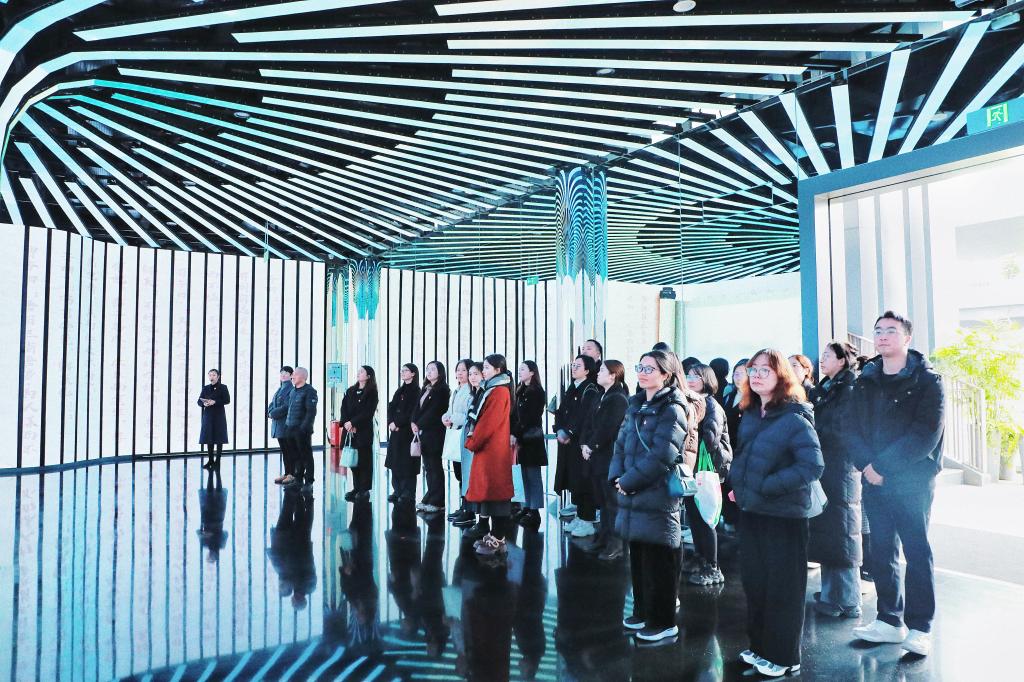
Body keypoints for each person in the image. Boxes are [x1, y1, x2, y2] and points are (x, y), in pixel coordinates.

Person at [848, 312, 944, 657]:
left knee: (917, 551)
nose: (882, 336)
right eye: (878, 331)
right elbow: (851, 427)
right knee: (881, 549)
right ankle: (889, 620)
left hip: (912, 480)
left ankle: (920, 627)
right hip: (873, 479)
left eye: (891, 330)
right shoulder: (866, 379)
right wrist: (866, 464)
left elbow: (926, 434)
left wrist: (882, 466)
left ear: (907, 337)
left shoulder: (928, 380)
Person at [730, 350, 825, 678]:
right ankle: (760, 647)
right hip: (753, 511)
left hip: (785, 516)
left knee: (784, 588)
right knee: (756, 583)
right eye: (753, 369)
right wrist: (740, 487)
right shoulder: (752, 413)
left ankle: (784, 656)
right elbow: (744, 457)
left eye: (765, 370)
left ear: (782, 376)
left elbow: (812, 466)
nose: (756, 375)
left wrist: (766, 486)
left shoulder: (794, 417)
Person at [610, 350, 689, 643]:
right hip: (633, 491)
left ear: (666, 374)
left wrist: (629, 481)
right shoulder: (636, 405)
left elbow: (662, 454)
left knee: (659, 561)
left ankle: (663, 621)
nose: (642, 373)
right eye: (640, 367)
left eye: (650, 369)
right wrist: (618, 477)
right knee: (639, 558)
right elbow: (620, 445)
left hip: (656, 495)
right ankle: (643, 611)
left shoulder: (673, 408)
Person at [809, 341, 863, 618]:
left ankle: (848, 600)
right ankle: (833, 594)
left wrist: (814, 432)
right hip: (830, 465)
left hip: (841, 467)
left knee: (842, 533)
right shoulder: (827, 388)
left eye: (828, 356)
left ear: (842, 361)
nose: (822, 360)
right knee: (832, 533)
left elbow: (842, 429)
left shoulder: (848, 389)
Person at [683, 363, 733, 586]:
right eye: (689, 375)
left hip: (707, 468)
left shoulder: (711, 405)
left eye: (696, 376)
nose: (690, 379)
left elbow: (711, 439)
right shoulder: (692, 402)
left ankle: (712, 566)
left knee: (706, 518)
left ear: (707, 380)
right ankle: (700, 556)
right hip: (693, 468)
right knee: (694, 516)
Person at [464, 354, 516, 556]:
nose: (483, 371)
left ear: (498, 370)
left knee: (496, 494)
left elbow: (488, 424)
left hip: (492, 450)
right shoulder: (492, 389)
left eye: (486, 368)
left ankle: (499, 538)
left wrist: (473, 441)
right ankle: (495, 534)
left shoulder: (498, 391)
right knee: (491, 493)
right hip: (490, 449)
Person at [581, 359, 629, 560]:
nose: (598, 373)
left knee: (612, 502)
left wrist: (591, 445)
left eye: (602, 370)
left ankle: (616, 543)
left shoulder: (618, 398)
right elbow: (589, 423)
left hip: (610, 456)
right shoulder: (601, 395)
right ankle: (603, 537)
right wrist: (584, 443)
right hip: (597, 457)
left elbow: (608, 427)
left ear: (613, 375)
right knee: (602, 500)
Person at [554, 355, 603, 532]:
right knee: (574, 479)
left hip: (580, 442)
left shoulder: (590, 389)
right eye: (573, 365)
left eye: (578, 366)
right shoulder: (572, 387)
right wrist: (559, 429)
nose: (573, 368)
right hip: (568, 442)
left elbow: (584, 416)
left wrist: (569, 432)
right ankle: (579, 516)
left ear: (587, 370)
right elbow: (561, 411)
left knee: (583, 480)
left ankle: (587, 519)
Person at [412, 361, 452, 514]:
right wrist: (413, 422)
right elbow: (417, 407)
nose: (429, 372)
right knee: (428, 467)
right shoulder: (426, 388)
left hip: (434, 433)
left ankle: (438, 501)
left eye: (432, 369)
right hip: (423, 432)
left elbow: (435, 411)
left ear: (440, 372)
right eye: (427, 369)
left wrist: (419, 424)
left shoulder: (442, 390)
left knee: (435, 467)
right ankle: (430, 496)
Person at [512, 361, 547, 530]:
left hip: (531, 439)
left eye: (523, 369)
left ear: (532, 372)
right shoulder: (520, 390)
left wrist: (515, 433)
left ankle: (535, 511)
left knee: (533, 475)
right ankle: (526, 506)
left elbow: (530, 417)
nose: (519, 372)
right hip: (521, 439)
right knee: (523, 474)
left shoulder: (537, 392)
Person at [339, 365, 379, 502]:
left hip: (363, 431)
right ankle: (356, 487)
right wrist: (347, 423)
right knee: (353, 460)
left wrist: (354, 423)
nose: (358, 373)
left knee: (364, 461)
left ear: (368, 376)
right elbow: (343, 408)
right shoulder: (350, 391)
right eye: (358, 371)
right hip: (349, 430)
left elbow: (368, 412)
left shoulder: (372, 392)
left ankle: (364, 489)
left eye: (362, 371)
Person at [445, 359, 476, 525]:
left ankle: (469, 510)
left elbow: (468, 416)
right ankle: (463, 506)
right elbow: (450, 411)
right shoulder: (456, 390)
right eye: (458, 370)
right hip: (455, 433)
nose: (460, 373)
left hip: (464, 434)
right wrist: (446, 417)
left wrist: (452, 417)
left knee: (466, 474)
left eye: (464, 370)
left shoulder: (471, 391)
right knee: (459, 473)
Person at [386, 363, 421, 504]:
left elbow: (412, 411)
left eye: (406, 370)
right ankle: (397, 490)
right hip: (395, 432)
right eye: (402, 370)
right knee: (395, 462)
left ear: (413, 373)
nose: (403, 372)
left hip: (407, 432)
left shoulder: (416, 391)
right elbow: (391, 407)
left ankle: (408, 492)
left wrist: (398, 423)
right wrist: (391, 422)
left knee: (407, 463)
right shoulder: (399, 390)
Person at [458, 363, 486, 532]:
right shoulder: (474, 393)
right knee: (466, 475)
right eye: (471, 374)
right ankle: (468, 509)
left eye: (476, 373)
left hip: (476, 438)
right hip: (468, 435)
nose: (472, 377)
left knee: (474, 476)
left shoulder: (484, 393)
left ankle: (474, 514)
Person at [284, 367, 319, 492]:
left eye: (295, 374)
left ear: (303, 376)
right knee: (295, 456)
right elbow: (290, 409)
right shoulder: (293, 391)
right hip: (290, 428)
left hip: (302, 430)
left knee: (306, 456)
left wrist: (303, 428)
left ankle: (309, 481)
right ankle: (298, 479)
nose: (292, 376)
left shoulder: (310, 391)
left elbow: (311, 412)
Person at [198, 369, 230, 469]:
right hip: (208, 416)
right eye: (210, 375)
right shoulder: (205, 388)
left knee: (219, 438)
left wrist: (215, 402)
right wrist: (204, 403)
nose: (211, 377)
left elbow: (227, 400)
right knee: (209, 438)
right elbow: (199, 401)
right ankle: (210, 460)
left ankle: (218, 461)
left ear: (218, 376)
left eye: (214, 375)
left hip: (219, 416)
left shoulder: (223, 387)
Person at [268, 366, 295, 484]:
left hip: (286, 425)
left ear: (291, 375)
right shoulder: (280, 389)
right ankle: (287, 473)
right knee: (284, 450)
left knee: (290, 450)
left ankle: (292, 474)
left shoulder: (291, 389)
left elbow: (286, 406)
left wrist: (273, 413)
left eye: (286, 373)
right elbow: (272, 403)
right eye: (282, 373)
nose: (283, 375)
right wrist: (269, 412)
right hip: (278, 424)